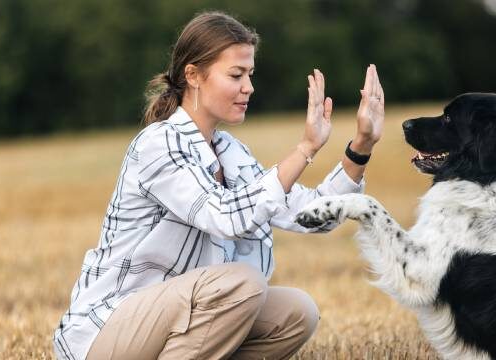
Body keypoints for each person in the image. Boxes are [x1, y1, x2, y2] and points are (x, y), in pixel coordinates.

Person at [53, 11, 384, 360]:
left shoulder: (230, 152)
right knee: (243, 284)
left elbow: (309, 214)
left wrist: (360, 148)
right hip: (106, 331)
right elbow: (226, 216)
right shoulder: (159, 143)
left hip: (177, 320)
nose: (249, 87)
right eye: (236, 75)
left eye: (250, 75)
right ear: (193, 75)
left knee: (296, 313)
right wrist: (305, 149)